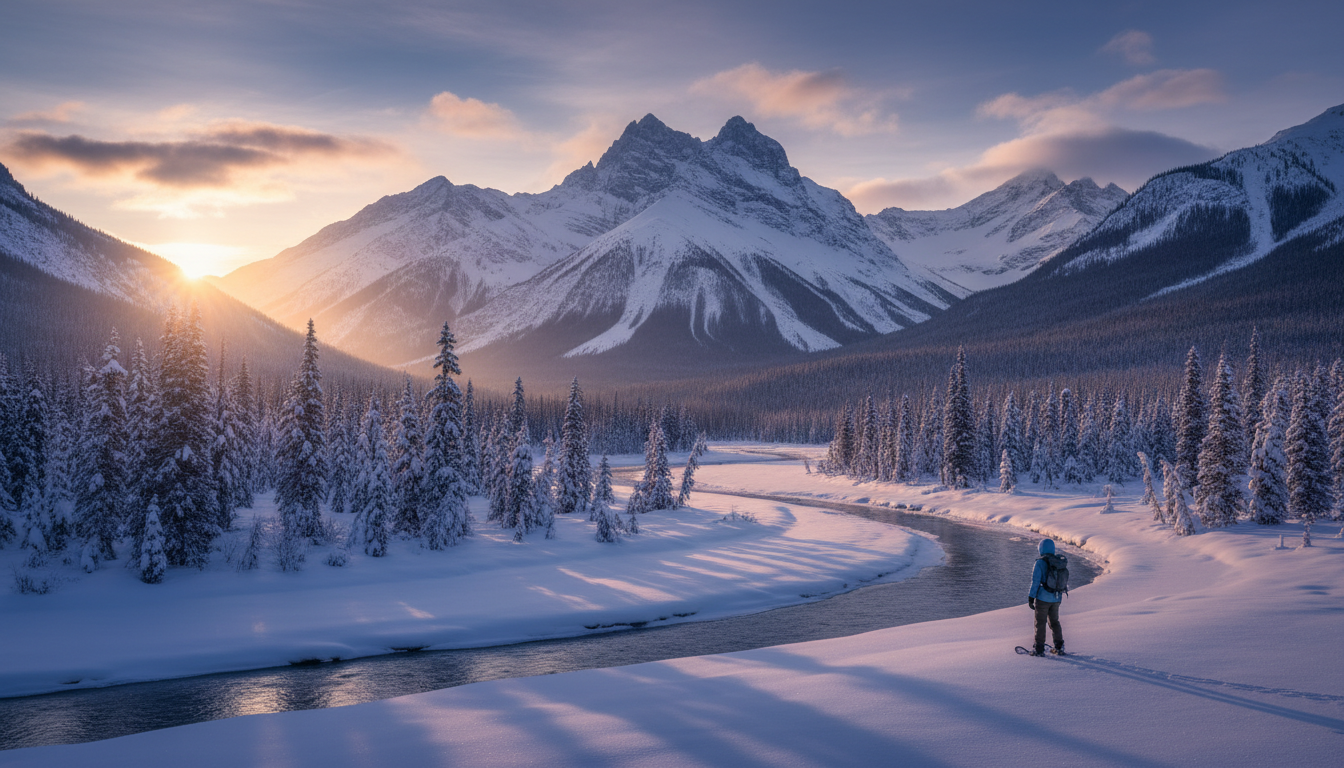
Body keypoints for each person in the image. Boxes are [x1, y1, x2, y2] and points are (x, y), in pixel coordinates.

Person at [1027, 538, 1065, 656]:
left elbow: (1035, 582)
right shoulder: (1058, 562)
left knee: (1040, 622)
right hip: (1056, 598)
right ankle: (1059, 646)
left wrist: (1031, 597)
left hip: (1043, 598)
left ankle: (1039, 648)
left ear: (1040, 549)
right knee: (1054, 622)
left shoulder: (1040, 562)